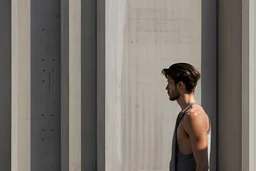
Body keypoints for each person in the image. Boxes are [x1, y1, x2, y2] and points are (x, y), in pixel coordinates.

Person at [162, 63, 211, 171]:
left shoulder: (194, 116)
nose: (166, 88)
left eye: (169, 83)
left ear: (180, 85)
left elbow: (203, 166)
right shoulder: (185, 115)